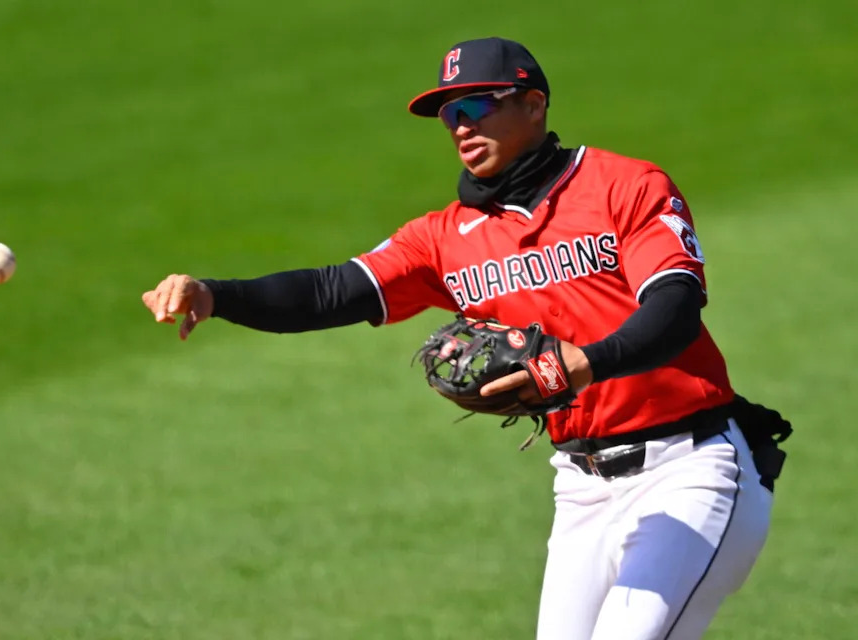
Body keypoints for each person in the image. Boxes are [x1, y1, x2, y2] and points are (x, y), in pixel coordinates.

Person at [143, 37, 789, 640]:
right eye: (450, 112)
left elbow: (675, 310)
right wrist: (216, 294)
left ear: (534, 105)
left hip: (692, 469)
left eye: (478, 104)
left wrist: (582, 365)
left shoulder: (625, 186)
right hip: (582, 487)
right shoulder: (444, 238)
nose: (460, 125)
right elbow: (332, 291)